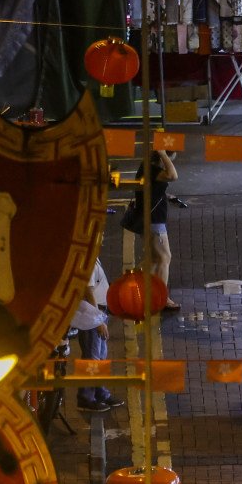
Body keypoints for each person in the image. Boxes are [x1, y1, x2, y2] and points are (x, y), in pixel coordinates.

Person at [122, 149, 178, 312]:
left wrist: (165, 195)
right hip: (154, 222)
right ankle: (162, 298)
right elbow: (173, 176)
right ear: (161, 159)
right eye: (170, 159)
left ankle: (131, 285)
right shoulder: (154, 170)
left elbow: (151, 188)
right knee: (164, 258)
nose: (171, 162)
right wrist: (164, 154)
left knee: (153, 260)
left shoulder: (145, 167)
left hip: (147, 219)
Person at [70, 259, 120, 412]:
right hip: (93, 315)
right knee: (92, 358)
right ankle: (86, 398)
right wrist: (98, 320)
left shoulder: (93, 257)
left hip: (99, 312)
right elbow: (88, 291)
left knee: (100, 356)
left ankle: (100, 393)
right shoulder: (86, 261)